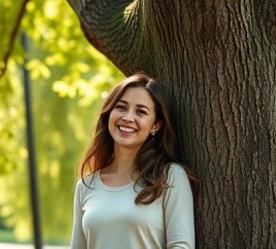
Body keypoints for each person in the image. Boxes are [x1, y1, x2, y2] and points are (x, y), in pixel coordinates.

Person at [70, 72, 196, 249]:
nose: (128, 117)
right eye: (121, 107)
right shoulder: (85, 186)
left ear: (156, 125)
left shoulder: (170, 177)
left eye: (141, 112)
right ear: (109, 113)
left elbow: (182, 246)